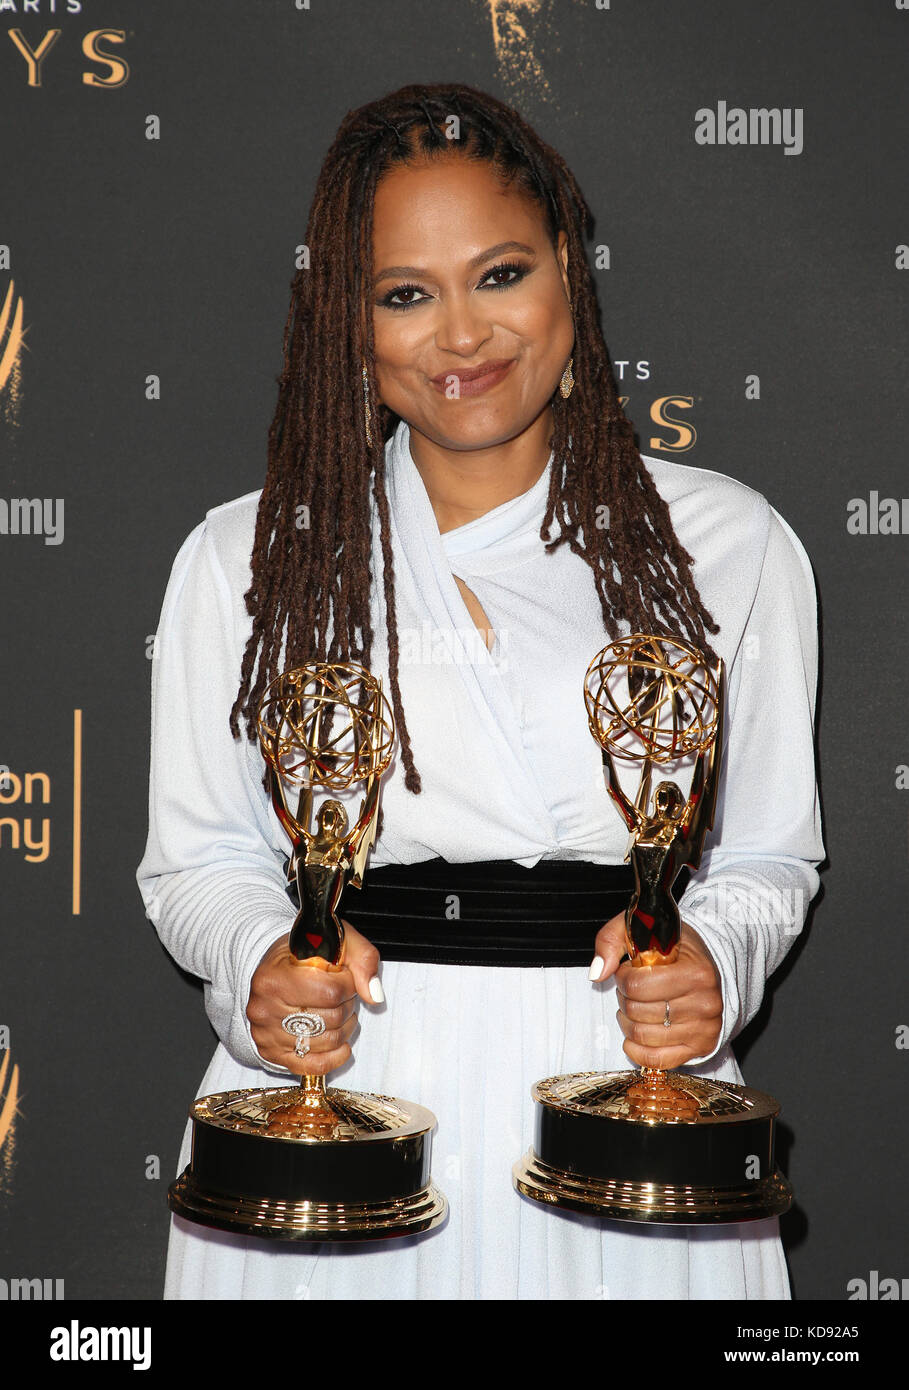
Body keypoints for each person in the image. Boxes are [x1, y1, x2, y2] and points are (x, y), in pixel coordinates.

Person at [136, 82, 825, 1300]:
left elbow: (770, 857)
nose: (463, 336)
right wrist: (263, 968)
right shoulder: (248, 556)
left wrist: (713, 959)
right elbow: (197, 864)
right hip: (347, 1105)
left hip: (630, 1105)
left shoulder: (731, 544)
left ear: (567, 266)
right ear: (348, 322)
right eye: (407, 294)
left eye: (500, 274)